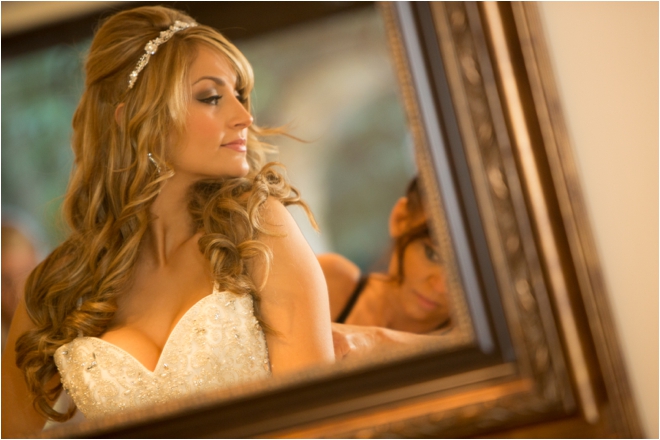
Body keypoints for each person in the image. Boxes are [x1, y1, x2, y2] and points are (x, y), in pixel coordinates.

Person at [1, 6, 334, 436]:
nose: (244, 117)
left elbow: (321, 421)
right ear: (136, 121)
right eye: (211, 97)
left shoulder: (256, 230)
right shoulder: (59, 289)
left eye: (239, 94)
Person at [320, 178, 453, 359]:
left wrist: (377, 340)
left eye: (466, 274)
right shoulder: (329, 280)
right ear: (401, 219)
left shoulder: (474, 348)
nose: (441, 287)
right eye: (432, 255)